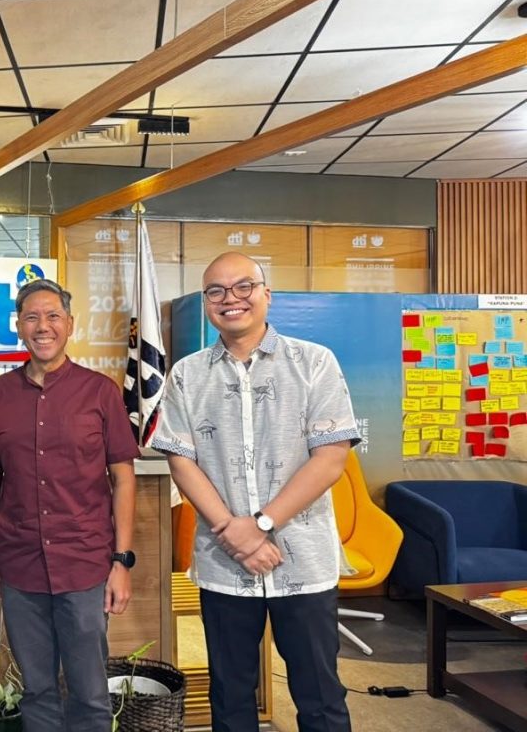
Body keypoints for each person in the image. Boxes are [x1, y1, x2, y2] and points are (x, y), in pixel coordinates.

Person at [151, 252, 359, 732]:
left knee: (320, 693)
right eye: (217, 291)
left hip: (301, 562)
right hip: (224, 564)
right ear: (206, 303)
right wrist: (231, 530)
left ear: (267, 294)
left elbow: (330, 459)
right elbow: (180, 459)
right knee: (229, 694)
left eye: (243, 287)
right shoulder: (187, 373)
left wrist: (260, 526)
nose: (231, 299)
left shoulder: (314, 363)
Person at [0, 279, 139, 732]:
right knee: (38, 691)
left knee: (89, 693)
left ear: (69, 325)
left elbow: (123, 478)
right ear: (18, 327)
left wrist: (122, 562)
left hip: (84, 565)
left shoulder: (100, 392)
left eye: (52, 316)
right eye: (31, 317)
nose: (42, 326)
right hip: (20, 564)